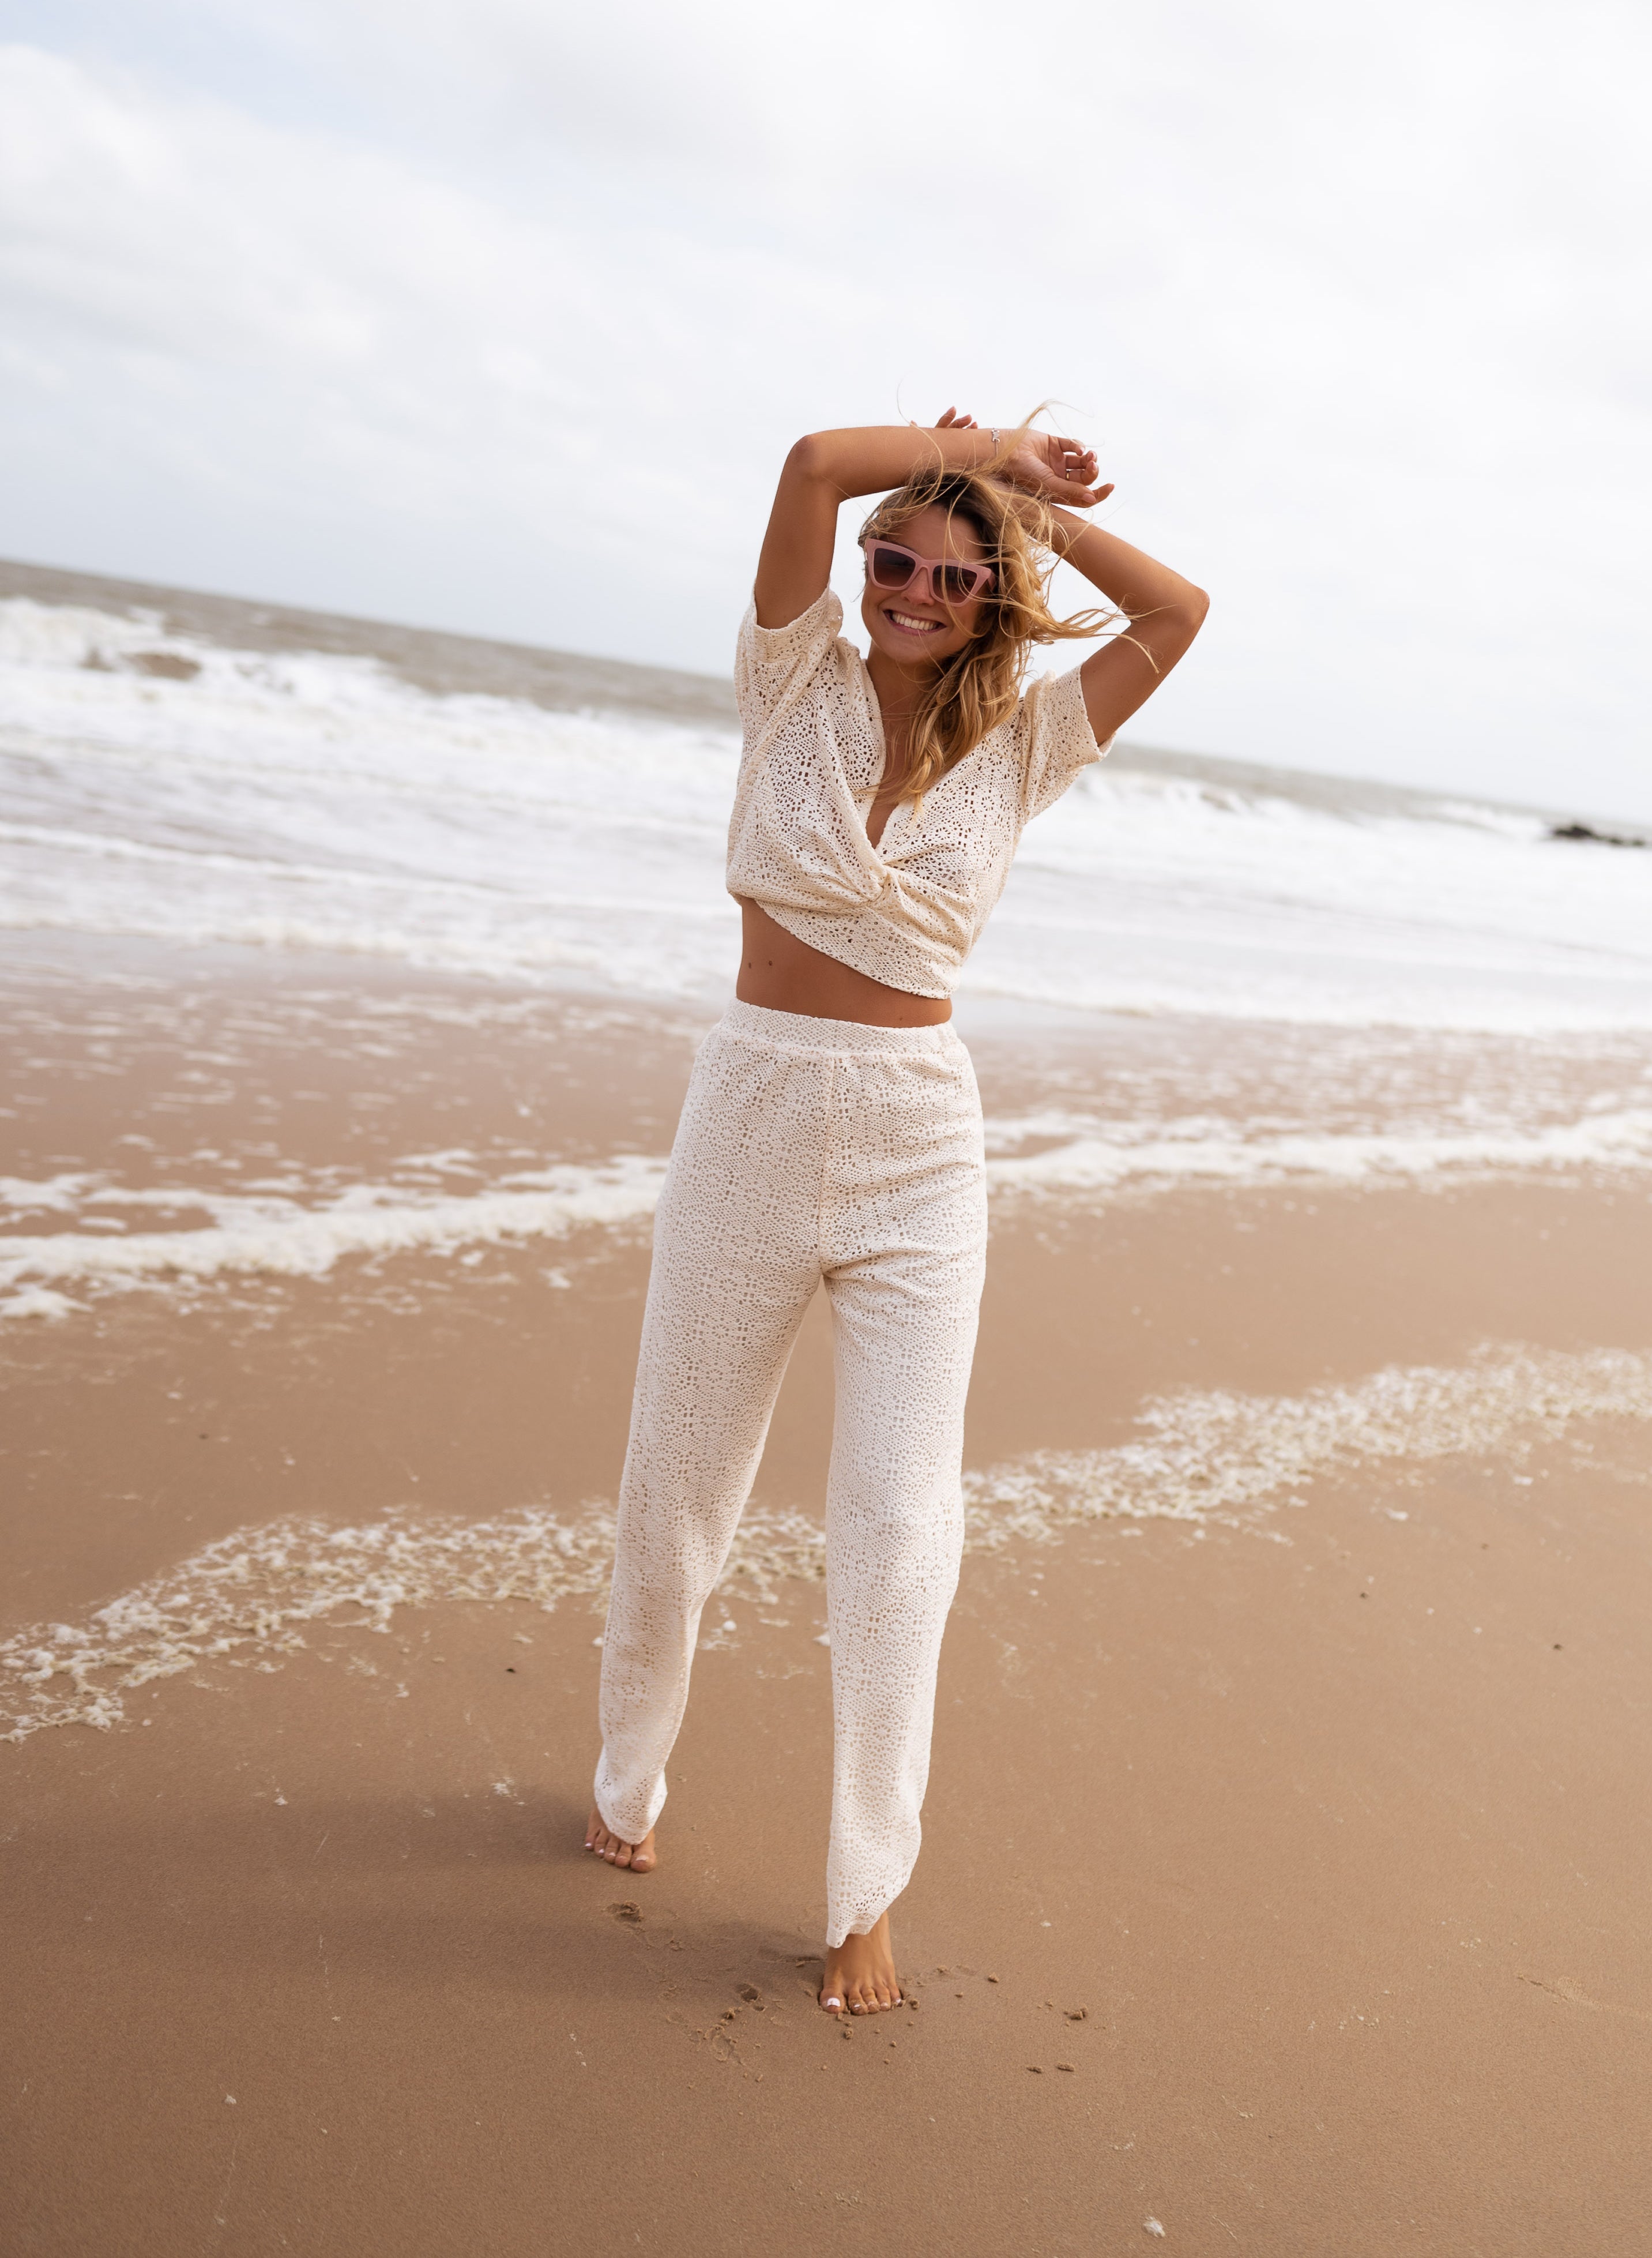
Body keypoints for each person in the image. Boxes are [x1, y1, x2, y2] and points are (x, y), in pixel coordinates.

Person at [585, 409, 1208, 2016]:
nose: (915, 590)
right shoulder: (786, 676)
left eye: (952, 575)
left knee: (896, 1530)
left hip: (918, 1147)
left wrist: (1022, 512)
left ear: (990, 595)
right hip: (749, 1112)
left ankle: (865, 1890)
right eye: (897, 560)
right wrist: (985, 449)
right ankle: (625, 1774)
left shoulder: (1026, 745)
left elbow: (1178, 611)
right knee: (678, 1488)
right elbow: (807, 461)